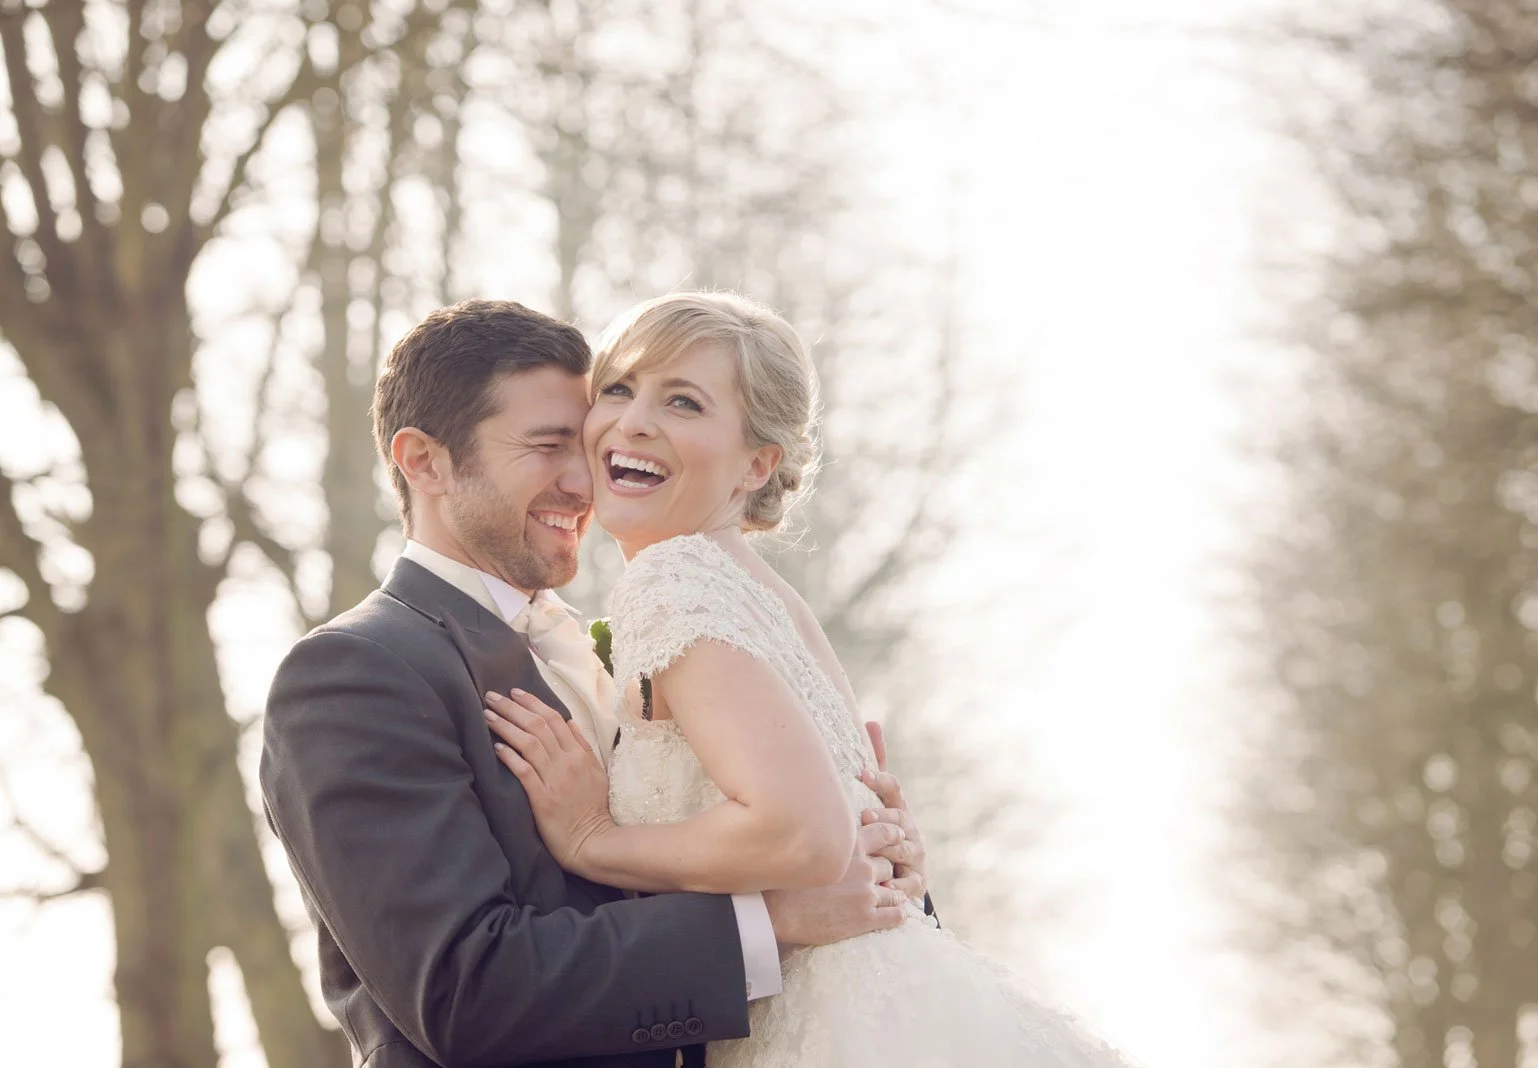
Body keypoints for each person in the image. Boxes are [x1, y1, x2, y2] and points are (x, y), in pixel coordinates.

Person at [259, 300, 929, 1068]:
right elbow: (463, 991)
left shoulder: (642, 642)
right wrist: (768, 921)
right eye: (548, 446)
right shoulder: (356, 674)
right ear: (424, 461)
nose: (584, 479)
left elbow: (782, 851)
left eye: (583, 441)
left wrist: (890, 874)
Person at [484, 292, 1140, 1067]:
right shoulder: (764, 594)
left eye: (683, 402)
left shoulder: (673, 579)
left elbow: (803, 833)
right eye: (620, 389)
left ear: (758, 462)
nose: (632, 422)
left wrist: (596, 842)